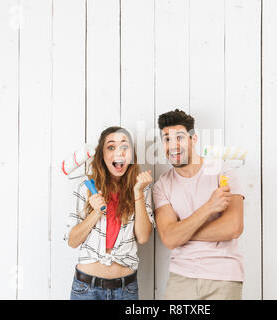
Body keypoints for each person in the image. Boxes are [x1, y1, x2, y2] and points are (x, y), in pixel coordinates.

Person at [152, 109, 245, 300]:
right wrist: (209, 207)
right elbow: (169, 239)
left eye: (179, 137)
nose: (173, 145)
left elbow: (234, 227)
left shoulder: (224, 172)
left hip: (224, 276)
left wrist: (182, 233)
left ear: (193, 139)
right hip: (181, 278)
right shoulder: (162, 185)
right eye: (166, 139)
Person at [64, 126, 154, 300]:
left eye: (124, 147)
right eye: (111, 147)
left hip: (126, 290)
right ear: (102, 155)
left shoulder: (143, 189)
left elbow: (143, 237)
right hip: (86, 289)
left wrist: (138, 193)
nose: (118, 152)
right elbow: (73, 241)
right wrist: (95, 213)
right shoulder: (86, 188)